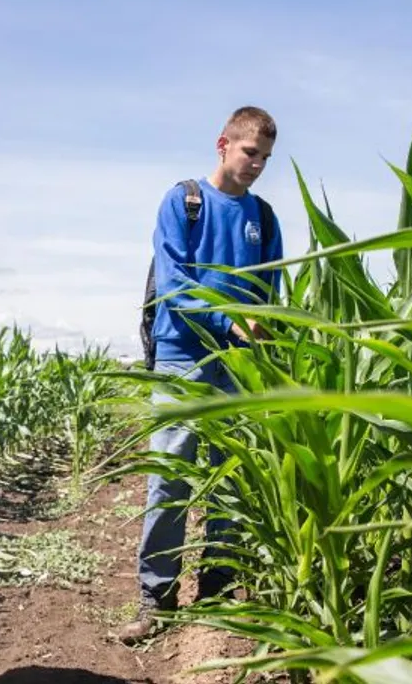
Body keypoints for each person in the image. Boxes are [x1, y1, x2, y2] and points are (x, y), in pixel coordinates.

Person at [117, 106, 284, 645]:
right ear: (223, 144)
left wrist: (264, 328)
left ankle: (217, 587)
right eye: (250, 152)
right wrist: (228, 321)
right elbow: (174, 284)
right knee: (170, 476)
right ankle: (156, 598)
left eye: (265, 157)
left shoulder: (265, 217)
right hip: (182, 357)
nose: (257, 164)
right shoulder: (185, 202)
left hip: (238, 363)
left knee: (231, 478)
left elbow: (270, 290)